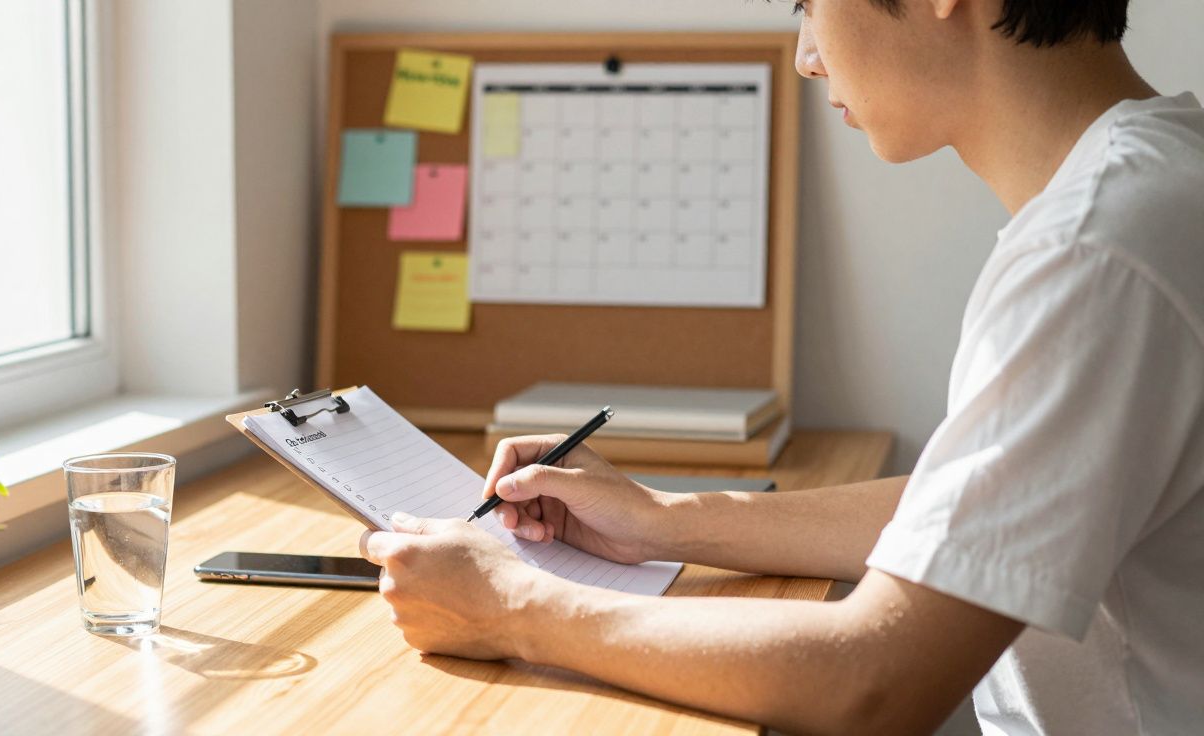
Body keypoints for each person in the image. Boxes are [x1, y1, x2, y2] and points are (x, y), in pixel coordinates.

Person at [360, 1, 1204, 732]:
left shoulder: (1096, 252)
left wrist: (516, 607)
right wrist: (663, 520)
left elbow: (879, 683)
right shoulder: (1152, 185)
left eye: (809, 4)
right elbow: (973, 515)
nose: (805, 55)